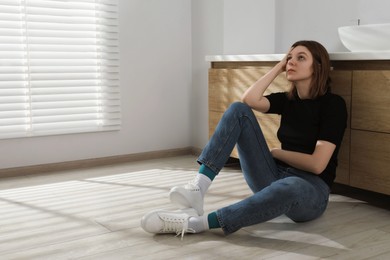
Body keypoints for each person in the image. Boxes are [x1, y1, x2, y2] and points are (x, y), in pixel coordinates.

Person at [141, 40, 347, 239]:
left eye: (300, 58)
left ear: (318, 66)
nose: (291, 62)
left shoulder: (333, 105)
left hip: (311, 189)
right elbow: (249, 99)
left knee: (292, 185)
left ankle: (197, 224)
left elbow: (317, 164)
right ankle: (198, 187)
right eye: (289, 57)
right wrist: (278, 67)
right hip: (274, 175)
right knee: (238, 110)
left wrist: (277, 153)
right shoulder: (287, 100)